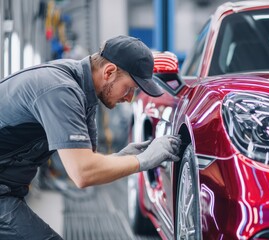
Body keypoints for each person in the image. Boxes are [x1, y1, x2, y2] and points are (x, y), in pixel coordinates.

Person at [0, 35, 181, 239]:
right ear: (109, 72)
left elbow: (87, 162)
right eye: (129, 88)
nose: (130, 98)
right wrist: (143, 161)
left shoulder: (84, 92)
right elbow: (83, 173)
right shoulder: (62, 91)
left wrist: (122, 156)